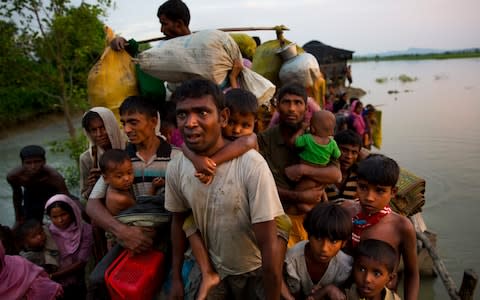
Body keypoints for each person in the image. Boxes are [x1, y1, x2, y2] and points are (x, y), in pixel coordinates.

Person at [166, 79, 285, 299]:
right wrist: (175, 277)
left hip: (253, 271)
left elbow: (269, 247)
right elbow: (178, 221)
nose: (190, 123)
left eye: (202, 113)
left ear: (223, 117)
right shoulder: (177, 166)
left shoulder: (251, 164)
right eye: (182, 115)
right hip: (212, 269)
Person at [86, 95, 180, 254]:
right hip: (133, 244)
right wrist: (122, 231)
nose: (127, 129)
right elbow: (92, 205)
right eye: (124, 123)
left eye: (133, 122)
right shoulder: (119, 161)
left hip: (171, 243)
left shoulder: (177, 158)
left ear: (153, 121)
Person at [258, 83, 341, 247]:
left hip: (311, 221)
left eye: (298, 103)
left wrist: (303, 169)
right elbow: (260, 186)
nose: (292, 109)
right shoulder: (265, 139)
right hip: (277, 221)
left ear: (305, 108)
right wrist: (299, 197)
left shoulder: (319, 135)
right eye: (286, 102)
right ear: (277, 106)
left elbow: (336, 175)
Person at [343, 154, 419, 300]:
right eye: (363, 187)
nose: (369, 197)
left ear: (393, 192)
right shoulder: (346, 211)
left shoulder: (401, 227)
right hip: (346, 293)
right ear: (356, 184)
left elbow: (412, 273)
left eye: (379, 190)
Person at [282, 202, 353, 300]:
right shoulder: (292, 260)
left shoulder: (345, 266)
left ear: (344, 243)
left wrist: (326, 291)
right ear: (308, 235)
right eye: (318, 238)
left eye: (333, 241)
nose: (324, 248)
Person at [7, 145, 73, 227]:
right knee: (31, 226)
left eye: (37, 161)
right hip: (31, 196)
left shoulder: (54, 177)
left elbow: (66, 197)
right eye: (28, 163)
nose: (33, 166)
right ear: (22, 163)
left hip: (52, 194)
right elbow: (17, 196)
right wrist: (18, 219)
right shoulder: (14, 176)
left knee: (70, 214)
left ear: (44, 161)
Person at [288, 110, 341, 212]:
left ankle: (310, 212)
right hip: (321, 176)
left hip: (306, 178)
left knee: (298, 195)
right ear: (332, 131)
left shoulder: (308, 138)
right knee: (321, 190)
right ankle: (326, 205)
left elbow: (294, 142)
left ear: (312, 128)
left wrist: (302, 129)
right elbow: (337, 155)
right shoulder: (332, 143)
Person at [45, 194, 93, 300]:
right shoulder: (46, 232)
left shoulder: (85, 230)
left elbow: (81, 262)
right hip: (53, 285)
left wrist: (53, 276)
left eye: (63, 214)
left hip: (76, 281)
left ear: (72, 212)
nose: (60, 220)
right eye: (55, 217)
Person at [79, 107, 126, 202]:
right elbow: (85, 196)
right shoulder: (88, 159)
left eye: (103, 128)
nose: (99, 134)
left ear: (111, 126)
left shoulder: (129, 146)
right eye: (93, 130)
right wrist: (93, 186)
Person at [325, 129, 363, 201]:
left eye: (354, 152)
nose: (349, 156)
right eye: (344, 150)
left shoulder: (359, 177)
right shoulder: (321, 172)